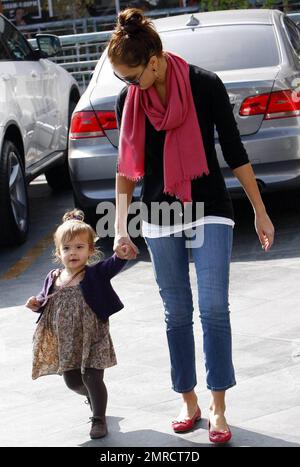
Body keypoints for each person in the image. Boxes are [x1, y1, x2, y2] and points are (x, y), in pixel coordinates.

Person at [108, 8, 275, 444]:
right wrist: (122, 226)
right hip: (159, 213)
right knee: (176, 312)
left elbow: (235, 150)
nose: (129, 86)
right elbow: (127, 167)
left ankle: (219, 408)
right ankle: (189, 401)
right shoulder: (132, 101)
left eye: (133, 76)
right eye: (123, 79)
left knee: (214, 308)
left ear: (155, 59)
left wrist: (259, 209)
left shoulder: (204, 84)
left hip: (210, 207)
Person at [25, 209, 128, 439]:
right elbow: (44, 300)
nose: (73, 252)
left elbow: (114, 264)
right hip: (67, 340)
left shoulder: (95, 274)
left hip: (94, 336)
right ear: (58, 252)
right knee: (72, 382)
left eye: (80, 247)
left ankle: (98, 418)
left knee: (93, 376)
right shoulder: (53, 278)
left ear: (90, 250)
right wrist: (35, 303)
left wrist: (121, 254)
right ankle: (92, 397)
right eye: (67, 248)